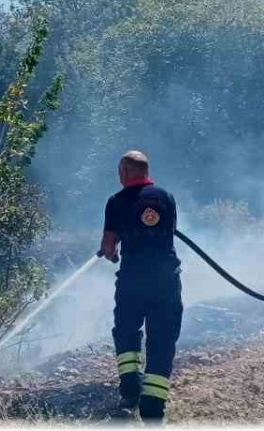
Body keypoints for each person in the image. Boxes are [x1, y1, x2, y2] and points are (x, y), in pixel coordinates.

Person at [97, 150, 183, 423]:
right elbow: (169, 231)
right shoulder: (166, 197)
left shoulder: (115, 202)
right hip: (165, 281)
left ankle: (130, 389)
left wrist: (109, 252)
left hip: (132, 280)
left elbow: (109, 246)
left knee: (127, 332)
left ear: (124, 172)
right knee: (162, 340)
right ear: (146, 172)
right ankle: (153, 408)